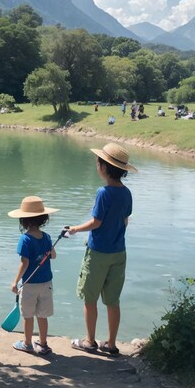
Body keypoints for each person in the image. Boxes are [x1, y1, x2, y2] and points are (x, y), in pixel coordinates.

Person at [67, 142, 137, 358]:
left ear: (104, 167)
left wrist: (75, 229)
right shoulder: (126, 193)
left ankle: (89, 341)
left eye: (98, 162)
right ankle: (111, 344)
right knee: (112, 300)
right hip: (119, 252)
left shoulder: (103, 192)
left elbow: (96, 223)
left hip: (98, 253)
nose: (96, 164)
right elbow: (125, 220)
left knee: (90, 298)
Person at [8, 196, 58, 355]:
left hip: (29, 285)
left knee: (28, 316)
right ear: (43, 219)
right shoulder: (47, 237)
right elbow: (53, 256)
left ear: (23, 221)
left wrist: (15, 281)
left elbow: (25, 263)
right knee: (42, 316)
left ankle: (27, 343)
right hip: (46, 283)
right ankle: (43, 344)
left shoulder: (25, 239)